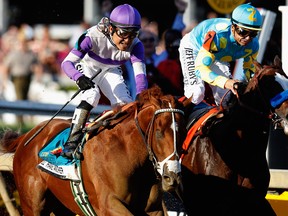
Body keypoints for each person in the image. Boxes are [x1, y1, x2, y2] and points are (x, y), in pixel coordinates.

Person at [60, 4, 148, 159]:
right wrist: (78, 77)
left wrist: (142, 96)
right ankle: (72, 141)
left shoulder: (136, 45)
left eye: (133, 34)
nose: (127, 40)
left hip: (110, 70)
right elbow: (66, 63)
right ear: (111, 28)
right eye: (123, 33)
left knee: (125, 103)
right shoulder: (91, 37)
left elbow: (140, 77)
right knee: (92, 95)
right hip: (86, 66)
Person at [178, 3, 262, 106]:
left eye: (253, 33)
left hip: (216, 54)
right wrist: (226, 82)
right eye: (243, 31)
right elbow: (200, 69)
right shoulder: (218, 36)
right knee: (196, 93)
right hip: (194, 47)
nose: (248, 38)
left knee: (227, 98)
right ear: (232, 27)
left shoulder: (253, 45)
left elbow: (250, 71)